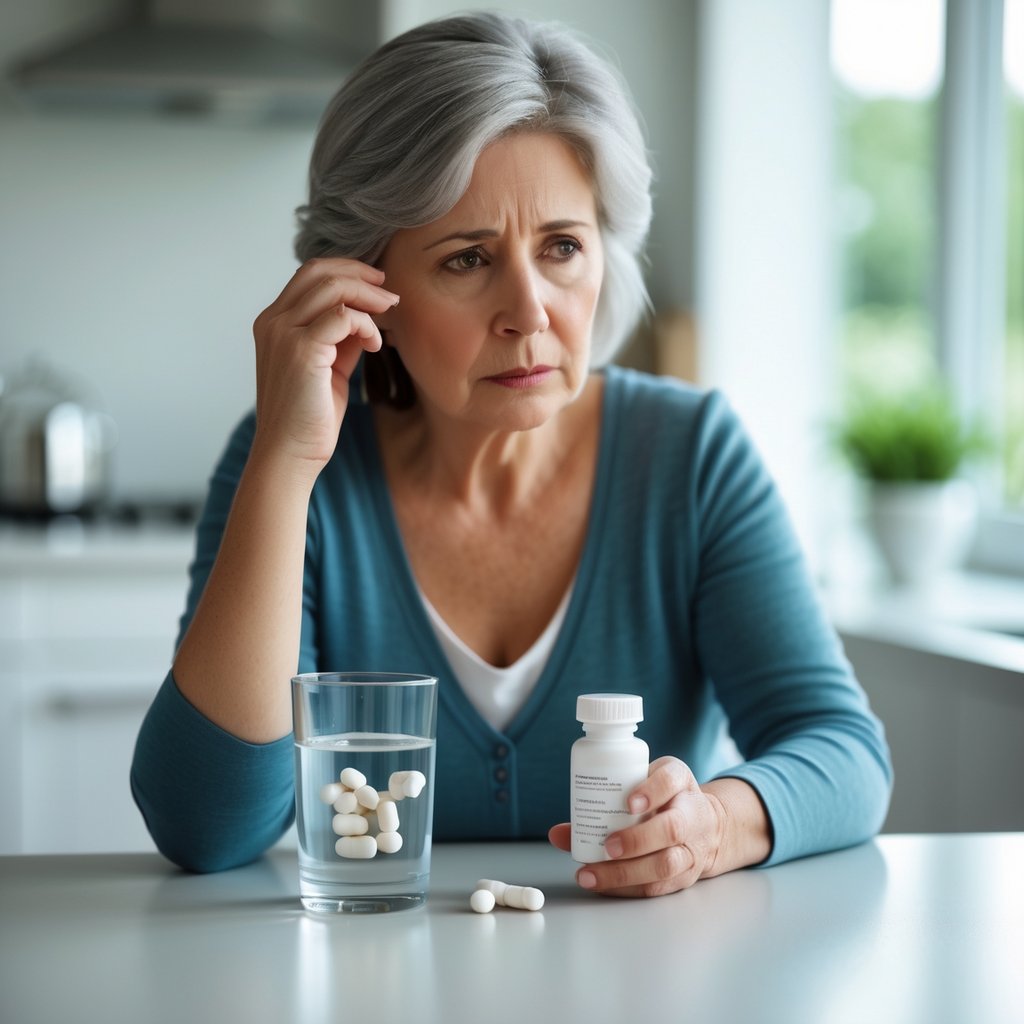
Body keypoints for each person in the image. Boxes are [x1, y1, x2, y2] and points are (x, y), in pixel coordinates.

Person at [131, 11, 892, 897]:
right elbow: (206, 826)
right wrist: (285, 463)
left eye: (563, 247)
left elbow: (844, 754)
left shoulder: (689, 456)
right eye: (467, 259)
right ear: (364, 284)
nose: (529, 311)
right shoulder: (300, 470)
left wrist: (715, 825)